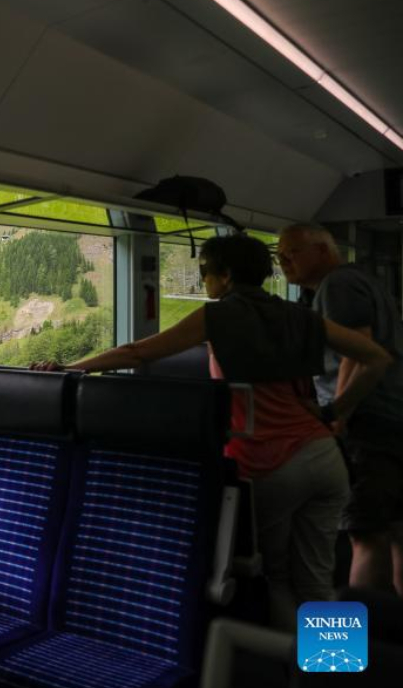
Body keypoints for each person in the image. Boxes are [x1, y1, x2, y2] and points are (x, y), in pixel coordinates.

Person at [31, 233, 392, 628]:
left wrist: (70, 370)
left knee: (279, 580)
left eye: (205, 271)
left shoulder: (217, 317)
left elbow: (137, 352)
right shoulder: (302, 316)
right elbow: (375, 358)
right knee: (318, 582)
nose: (204, 280)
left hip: (270, 465)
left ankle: (303, 675)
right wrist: (332, 411)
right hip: (324, 459)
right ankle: (338, 673)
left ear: (226, 276)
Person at [277, 223, 403, 596]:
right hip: (390, 419)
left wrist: (336, 414)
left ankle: (350, 653)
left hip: (367, 422)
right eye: (279, 255)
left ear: (324, 251)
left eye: (292, 252)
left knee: (364, 536)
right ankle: (391, 634)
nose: (284, 262)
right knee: (395, 531)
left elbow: (357, 353)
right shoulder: (354, 283)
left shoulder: (338, 286)